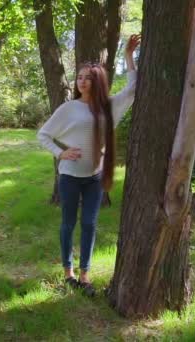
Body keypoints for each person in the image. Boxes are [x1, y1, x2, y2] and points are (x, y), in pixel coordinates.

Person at [37, 35, 141, 296]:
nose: (82, 81)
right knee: (68, 223)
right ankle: (68, 273)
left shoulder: (109, 107)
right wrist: (61, 154)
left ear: (98, 82)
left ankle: (85, 275)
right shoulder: (68, 108)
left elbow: (133, 88)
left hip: (94, 177)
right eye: (80, 77)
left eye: (88, 78)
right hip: (70, 177)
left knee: (90, 224)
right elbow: (43, 135)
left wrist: (129, 56)